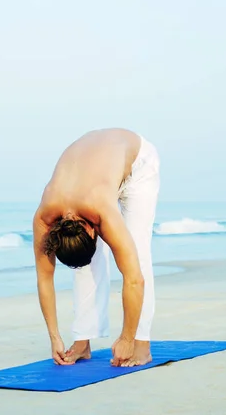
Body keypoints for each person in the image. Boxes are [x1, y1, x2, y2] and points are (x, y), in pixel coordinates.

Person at [33, 128, 160, 367]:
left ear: (94, 230)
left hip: (137, 162)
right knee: (84, 262)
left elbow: (134, 279)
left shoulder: (101, 210)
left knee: (137, 254)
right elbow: (44, 278)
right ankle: (83, 340)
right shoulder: (44, 216)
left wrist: (127, 338)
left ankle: (143, 343)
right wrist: (54, 337)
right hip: (97, 164)